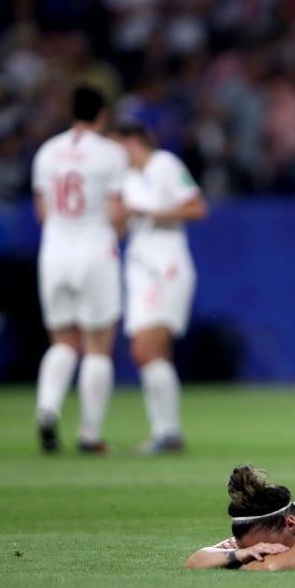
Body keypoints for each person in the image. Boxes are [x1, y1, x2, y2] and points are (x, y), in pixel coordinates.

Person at [32, 85, 128, 455]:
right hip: (94, 251)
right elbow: (116, 212)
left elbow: (43, 213)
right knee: (97, 346)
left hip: (54, 252)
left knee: (62, 341)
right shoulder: (110, 154)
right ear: (102, 115)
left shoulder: (47, 152)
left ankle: (47, 409)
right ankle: (89, 434)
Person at [111, 119, 208, 454]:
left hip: (166, 267)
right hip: (139, 270)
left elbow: (196, 206)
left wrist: (149, 211)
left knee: (145, 348)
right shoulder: (126, 178)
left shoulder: (164, 164)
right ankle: (166, 432)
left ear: (134, 141)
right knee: (149, 352)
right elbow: (122, 229)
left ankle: (167, 431)